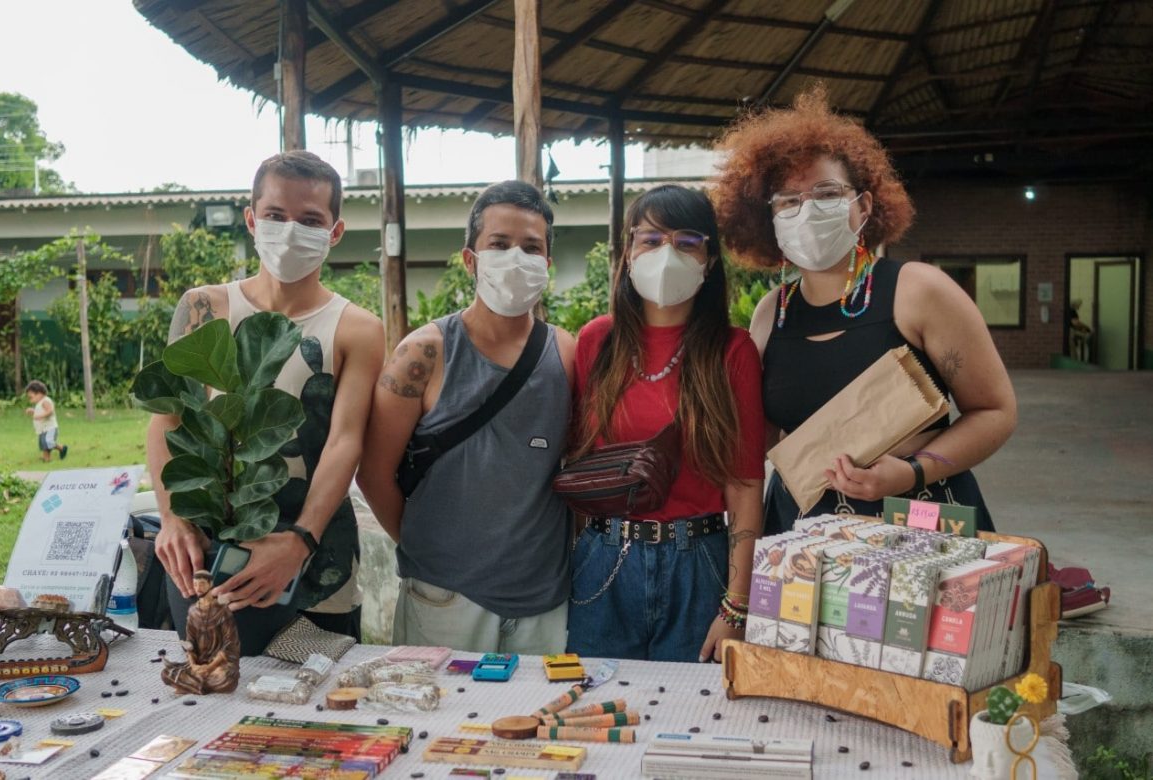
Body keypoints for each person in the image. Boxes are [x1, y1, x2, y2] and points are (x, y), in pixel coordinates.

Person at [710, 86, 1016, 533]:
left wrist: (912, 471)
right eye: (789, 201)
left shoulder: (919, 290)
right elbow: (759, 438)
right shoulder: (771, 313)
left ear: (864, 206)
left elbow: (995, 412)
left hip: (916, 525)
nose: (808, 211)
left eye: (826, 193)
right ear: (769, 219)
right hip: (800, 534)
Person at [148, 151, 384, 655]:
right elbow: (168, 417)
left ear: (335, 232)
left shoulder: (358, 329)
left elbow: (345, 442)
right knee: (211, 679)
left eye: (310, 220)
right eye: (276, 215)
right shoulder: (203, 307)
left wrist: (299, 541)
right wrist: (172, 518)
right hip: (208, 551)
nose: (290, 231)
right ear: (252, 219)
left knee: (320, 690)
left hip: (315, 558)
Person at [357, 180, 575, 656]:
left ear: (547, 264)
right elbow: (372, 472)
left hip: (544, 599)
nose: (515, 258)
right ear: (470, 259)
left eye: (531, 247)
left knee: (540, 708)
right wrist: (427, 551)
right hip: (444, 598)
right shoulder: (423, 354)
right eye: (499, 244)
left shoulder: (566, 354)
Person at [566, 185, 765, 663]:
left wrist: (737, 606)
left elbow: (744, 486)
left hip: (698, 564)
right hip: (603, 560)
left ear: (709, 260)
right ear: (628, 252)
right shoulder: (597, 341)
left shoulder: (732, 351)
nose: (667, 253)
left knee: (693, 704)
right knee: (595, 699)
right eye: (651, 240)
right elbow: (578, 460)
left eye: (686, 241)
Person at [161, 570, 241, 695]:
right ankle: (200, 683)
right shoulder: (193, 611)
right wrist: (193, 665)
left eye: (202, 584)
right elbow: (190, 643)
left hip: (218, 664)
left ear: (210, 584)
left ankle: (191, 684)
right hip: (199, 662)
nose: (198, 588)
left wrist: (210, 667)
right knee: (166, 673)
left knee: (227, 677)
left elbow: (230, 644)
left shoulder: (223, 611)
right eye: (195, 584)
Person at [24, 380, 67, 462]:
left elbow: (50, 411)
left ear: (39, 393)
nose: (30, 400)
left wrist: (39, 416)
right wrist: (33, 411)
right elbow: (40, 411)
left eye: (31, 397)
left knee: (48, 442)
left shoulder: (45, 401)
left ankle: (62, 448)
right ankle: (46, 458)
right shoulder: (40, 403)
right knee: (44, 444)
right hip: (43, 429)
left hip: (50, 428)